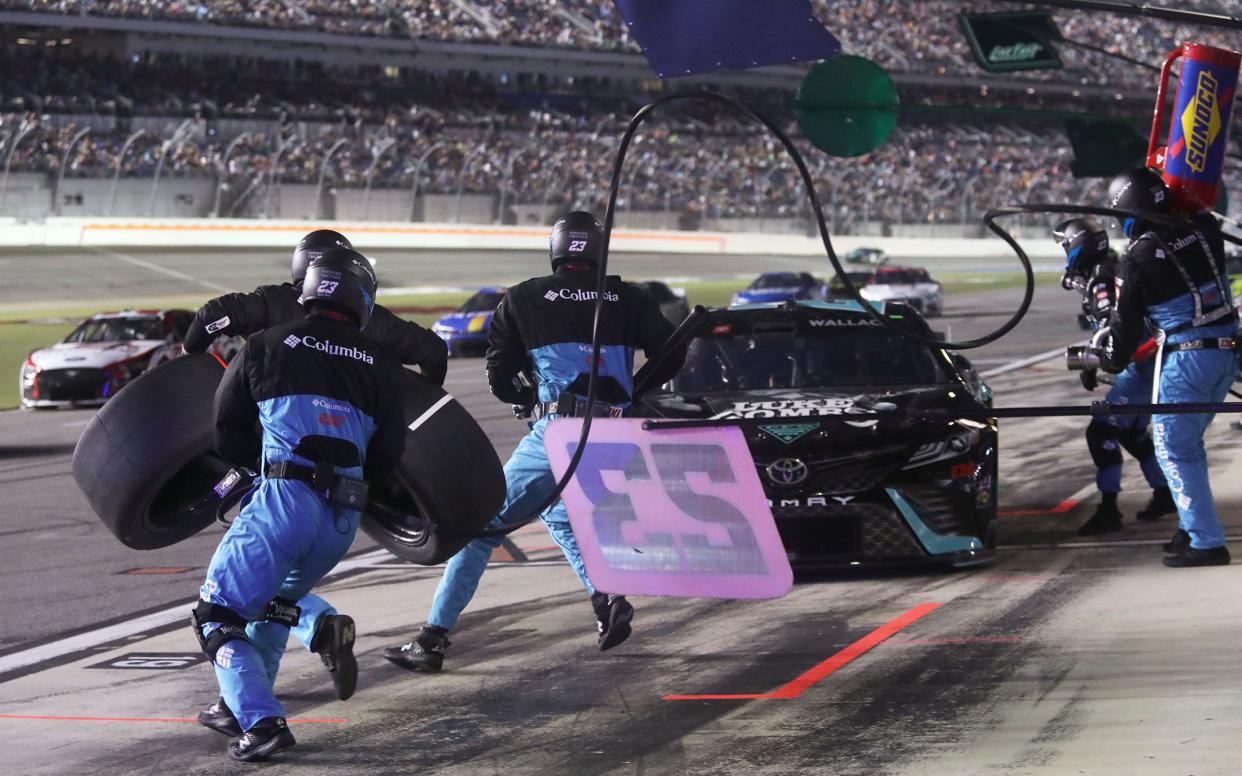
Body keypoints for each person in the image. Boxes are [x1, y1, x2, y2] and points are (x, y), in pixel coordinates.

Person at [382, 211, 685, 672]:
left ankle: (432, 639)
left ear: (556, 250)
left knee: (482, 527)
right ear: (599, 252)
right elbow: (673, 351)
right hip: (618, 433)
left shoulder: (523, 298)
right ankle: (607, 599)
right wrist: (633, 393)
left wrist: (530, 400)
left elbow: (499, 377)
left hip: (561, 432)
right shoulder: (629, 297)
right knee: (560, 516)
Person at [185, 229, 446, 716]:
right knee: (274, 599)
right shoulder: (380, 363)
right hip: (344, 515)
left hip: (284, 494)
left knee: (217, 614)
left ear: (305, 281)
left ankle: (260, 721)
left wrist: (260, 467)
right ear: (362, 299)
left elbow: (225, 427)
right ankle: (243, 698)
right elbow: (392, 450)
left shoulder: (265, 337)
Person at [1102, 168, 1238, 567]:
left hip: (1189, 357)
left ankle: (1206, 541)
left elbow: (1124, 331)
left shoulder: (1136, 257)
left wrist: (1111, 361)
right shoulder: (1204, 227)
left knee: (1172, 447)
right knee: (1187, 443)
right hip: (1228, 351)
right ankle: (1194, 523)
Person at [1053, 217, 1173, 536]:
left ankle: (1109, 509)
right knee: (1132, 434)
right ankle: (1164, 494)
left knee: (1101, 429)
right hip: (1146, 363)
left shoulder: (1101, 279)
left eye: (1065, 245)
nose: (1064, 252)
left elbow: (1114, 328)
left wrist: (1093, 362)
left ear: (1076, 244)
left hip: (1141, 365)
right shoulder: (1107, 267)